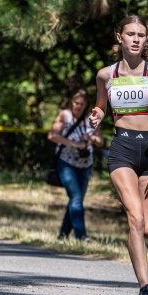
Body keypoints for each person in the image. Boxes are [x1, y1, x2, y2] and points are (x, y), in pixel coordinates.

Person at [89, 15, 148, 295]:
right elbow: (101, 106)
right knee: (136, 218)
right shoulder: (106, 75)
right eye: (131, 33)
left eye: (141, 34)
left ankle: (135, 241)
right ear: (120, 37)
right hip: (123, 149)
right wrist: (96, 114)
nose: (136, 39)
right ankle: (145, 288)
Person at [48, 88, 104, 242]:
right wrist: (74, 143)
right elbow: (52, 135)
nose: (78, 106)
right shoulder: (64, 115)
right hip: (66, 163)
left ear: (86, 105)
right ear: (71, 101)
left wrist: (91, 138)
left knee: (75, 200)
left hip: (86, 165)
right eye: (76, 103)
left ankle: (63, 236)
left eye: (82, 104)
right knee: (76, 198)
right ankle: (81, 236)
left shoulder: (90, 119)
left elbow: (101, 141)